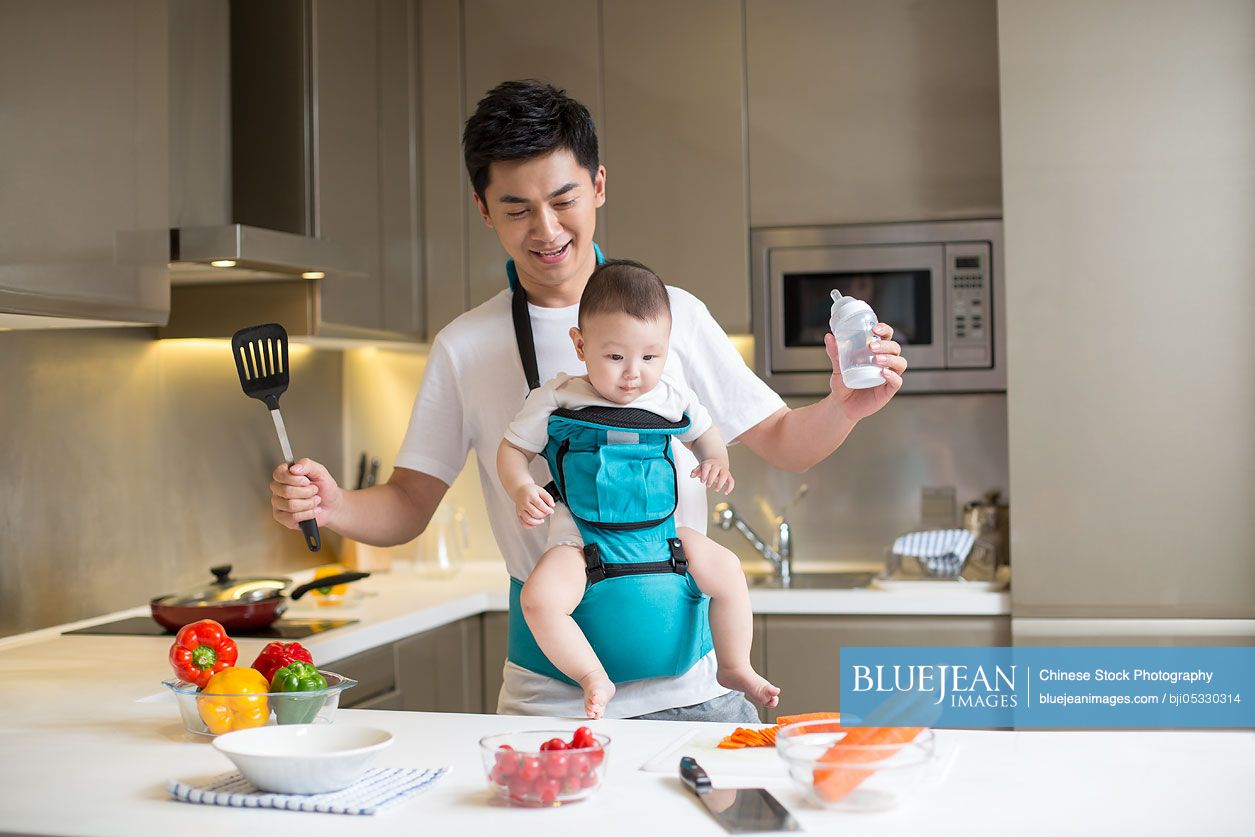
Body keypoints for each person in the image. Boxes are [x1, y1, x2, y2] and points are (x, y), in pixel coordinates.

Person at [269, 80, 907, 722]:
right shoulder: (464, 346)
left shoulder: (673, 315)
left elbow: (786, 443)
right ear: (483, 209)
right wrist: (337, 504)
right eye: (516, 208)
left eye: (563, 199)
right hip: (551, 704)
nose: (545, 230)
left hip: (697, 693)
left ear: (598, 185)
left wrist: (844, 407)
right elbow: (408, 505)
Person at [498, 259, 780, 719]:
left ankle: (734, 666)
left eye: (651, 357)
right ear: (580, 344)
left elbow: (707, 435)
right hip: (581, 542)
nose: (634, 373)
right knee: (539, 599)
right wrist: (521, 487)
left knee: (727, 570)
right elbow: (510, 451)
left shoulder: (670, 396)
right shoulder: (556, 397)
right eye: (615, 357)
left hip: (664, 536)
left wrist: (716, 461)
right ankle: (592, 676)